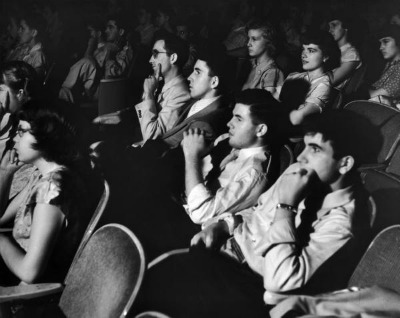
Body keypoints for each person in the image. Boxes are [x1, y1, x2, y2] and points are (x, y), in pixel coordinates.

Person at [136, 110, 375, 318]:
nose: (301, 157)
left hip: (251, 289)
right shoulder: (300, 171)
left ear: (344, 164)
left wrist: (286, 207)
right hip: (225, 251)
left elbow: (279, 281)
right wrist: (225, 225)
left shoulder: (343, 221)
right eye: (304, 146)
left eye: (314, 149)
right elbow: (257, 210)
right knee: (144, 279)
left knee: (159, 295)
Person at [0, 100, 91, 287]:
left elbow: (29, 272)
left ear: (46, 136)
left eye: (21, 132)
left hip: (28, 294)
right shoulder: (44, 177)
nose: (14, 139)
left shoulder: (52, 187)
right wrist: (6, 173)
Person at [182, 89, 288, 225]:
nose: (229, 124)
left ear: (260, 130)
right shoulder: (229, 143)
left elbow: (201, 213)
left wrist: (192, 156)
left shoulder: (253, 174)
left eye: (239, 119)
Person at [93, 33, 190, 142]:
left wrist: (148, 94)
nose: (150, 60)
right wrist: (110, 118)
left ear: (173, 58)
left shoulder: (181, 93)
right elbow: (138, 116)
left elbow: (152, 137)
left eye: (155, 54)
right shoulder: (160, 83)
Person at [59, 15, 133, 104]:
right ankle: (64, 92)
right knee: (87, 62)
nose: (106, 31)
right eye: (106, 28)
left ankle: (63, 93)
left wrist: (109, 54)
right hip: (93, 86)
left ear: (121, 31)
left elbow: (113, 74)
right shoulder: (107, 47)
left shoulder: (125, 50)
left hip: (107, 91)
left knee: (88, 62)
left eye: (111, 28)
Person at [279, 30, 340, 125]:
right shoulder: (294, 76)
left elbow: (301, 113)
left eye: (311, 50)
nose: (303, 54)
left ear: (325, 57)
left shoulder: (323, 84)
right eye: (303, 49)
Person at [242, 20, 284, 99]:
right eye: (248, 38)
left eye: (254, 39)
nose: (248, 44)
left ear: (268, 41)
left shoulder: (272, 72)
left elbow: (266, 107)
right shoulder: (248, 64)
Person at [5, 14, 47, 79]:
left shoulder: (38, 57)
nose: (19, 31)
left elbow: (33, 84)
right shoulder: (21, 48)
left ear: (34, 32)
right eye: (19, 28)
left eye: (23, 28)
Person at [327, 12, 362, 89]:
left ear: (346, 26)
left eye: (334, 25)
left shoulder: (352, 54)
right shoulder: (332, 49)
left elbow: (331, 81)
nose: (330, 30)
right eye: (329, 27)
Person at [369, 24, 400, 108]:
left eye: (386, 42)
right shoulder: (390, 63)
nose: (381, 47)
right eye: (380, 43)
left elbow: (375, 96)